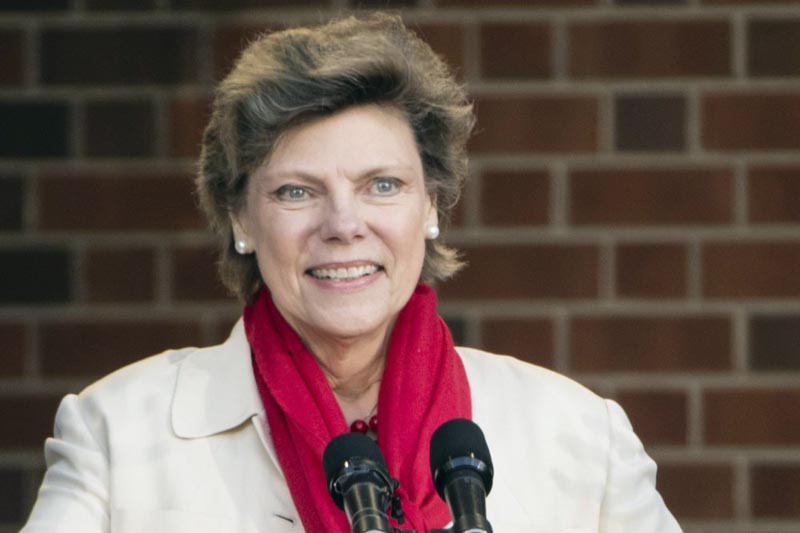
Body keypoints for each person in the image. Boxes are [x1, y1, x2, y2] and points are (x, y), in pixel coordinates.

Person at [22, 12, 681, 533]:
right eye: (296, 192)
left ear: (432, 204)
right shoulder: (116, 432)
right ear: (241, 219)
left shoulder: (578, 434)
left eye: (382, 184)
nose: (343, 223)